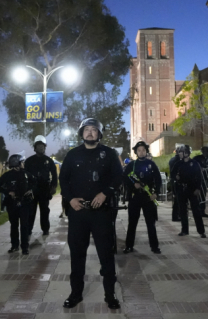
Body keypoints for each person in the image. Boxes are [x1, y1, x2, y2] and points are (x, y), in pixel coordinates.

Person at [59, 118, 122, 309]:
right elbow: (63, 180)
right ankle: (75, 293)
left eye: (94, 130)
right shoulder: (72, 155)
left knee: (106, 254)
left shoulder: (109, 154)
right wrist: (70, 199)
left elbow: (118, 177)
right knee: (77, 255)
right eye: (87, 129)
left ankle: (109, 294)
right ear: (81, 133)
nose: (90, 133)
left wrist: (105, 193)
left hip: (101, 213)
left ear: (99, 134)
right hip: (78, 213)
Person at [122, 141, 161, 254]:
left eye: (143, 150)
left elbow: (158, 180)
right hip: (135, 197)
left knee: (151, 224)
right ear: (136, 152)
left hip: (148, 198)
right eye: (139, 150)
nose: (141, 152)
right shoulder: (132, 165)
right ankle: (129, 246)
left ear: (146, 151)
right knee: (132, 223)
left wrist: (156, 193)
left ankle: (154, 247)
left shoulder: (151, 164)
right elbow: (124, 178)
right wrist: (133, 185)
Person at [0, 153, 35, 254]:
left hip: (25, 203)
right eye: (22, 162)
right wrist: (8, 191)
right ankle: (14, 245)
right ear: (16, 163)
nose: (23, 164)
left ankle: (25, 247)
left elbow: (35, 183)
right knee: (14, 225)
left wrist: (30, 189)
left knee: (24, 225)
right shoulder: (7, 175)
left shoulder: (26, 174)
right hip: (12, 203)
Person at [25, 135, 58, 236]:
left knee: (44, 211)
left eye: (43, 146)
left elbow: (54, 174)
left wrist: (54, 186)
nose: (41, 148)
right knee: (31, 211)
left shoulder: (49, 161)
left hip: (44, 189)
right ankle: (28, 229)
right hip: (32, 189)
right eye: (39, 146)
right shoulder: (29, 161)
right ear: (35, 148)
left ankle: (45, 229)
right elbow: (24, 175)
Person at [171, 145, 206, 238]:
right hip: (181, 189)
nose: (180, 154)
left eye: (181, 152)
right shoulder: (178, 164)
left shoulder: (194, 163)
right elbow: (172, 174)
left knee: (196, 211)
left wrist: (198, 188)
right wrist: (176, 177)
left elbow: (199, 177)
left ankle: (201, 231)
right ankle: (184, 230)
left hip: (192, 189)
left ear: (186, 153)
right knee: (183, 211)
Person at [193, 147, 208, 218]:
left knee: (203, 196)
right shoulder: (198, 158)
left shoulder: (207, 159)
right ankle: (197, 211)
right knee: (198, 196)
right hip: (198, 179)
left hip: (204, 179)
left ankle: (202, 211)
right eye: (207, 151)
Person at [168, 147, 182, 221]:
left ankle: (176, 216)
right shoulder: (178, 161)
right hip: (177, 181)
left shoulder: (172, 160)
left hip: (173, 181)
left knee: (176, 200)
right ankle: (176, 216)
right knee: (178, 200)